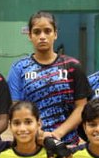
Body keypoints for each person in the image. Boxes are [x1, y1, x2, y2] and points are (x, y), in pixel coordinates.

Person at [6, 11, 90, 143]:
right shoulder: (19, 68)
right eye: (37, 32)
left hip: (67, 143)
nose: (42, 36)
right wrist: (38, 134)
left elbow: (81, 107)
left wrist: (57, 134)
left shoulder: (72, 66)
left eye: (47, 31)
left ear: (55, 34)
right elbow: (15, 108)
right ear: (30, 35)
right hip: (30, 143)